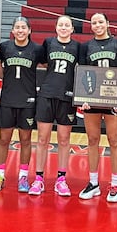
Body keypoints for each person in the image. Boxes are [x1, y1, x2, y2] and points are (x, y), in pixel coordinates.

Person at [78, 12, 117, 203]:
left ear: (108, 23)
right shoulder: (86, 46)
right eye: (94, 22)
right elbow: (83, 73)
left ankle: (115, 183)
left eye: (101, 22)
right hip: (92, 99)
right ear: (90, 26)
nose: (97, 25)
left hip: (112, 100)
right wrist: (81, 97)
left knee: (114, 140)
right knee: (92, 139)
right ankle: (93, 183)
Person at [0, 16, 45, 192]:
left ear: (29, 30)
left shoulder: (37, 49)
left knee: (26, 140)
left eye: (24, 27)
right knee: (4, 139)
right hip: (8, 99)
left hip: (28, 100)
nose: (20, 30)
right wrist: (3, 75)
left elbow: (48, 65)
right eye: (17, 27)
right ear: (12, 31)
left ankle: (23, 177)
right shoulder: (5, 47)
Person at [32, 15, 80, 196]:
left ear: (72, 29)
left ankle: (61, 179)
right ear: (56, 27)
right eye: (61, 25)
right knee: (42, 139)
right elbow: (40, 60)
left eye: (67, 25)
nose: (64, 27)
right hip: (47, 94)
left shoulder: (77, 47)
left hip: (67, 97)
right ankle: (39, 179)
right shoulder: (48, 43)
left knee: (64, 139)